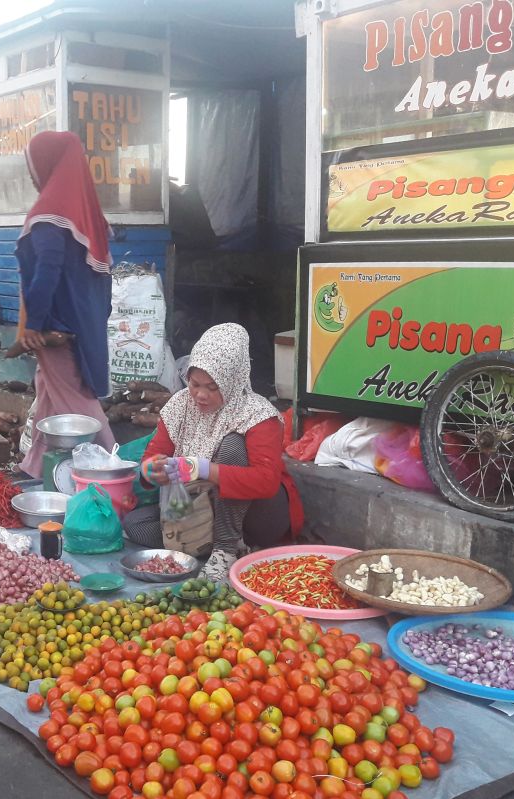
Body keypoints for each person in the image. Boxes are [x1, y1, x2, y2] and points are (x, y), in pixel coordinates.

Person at [125, 323, 303, 581]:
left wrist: (204, 469)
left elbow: (266, 482)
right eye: (195, 383)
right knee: (135, 525)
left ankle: (225, 548)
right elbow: (154, 455)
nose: (200, 395)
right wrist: (151, 471)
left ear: (232, 380)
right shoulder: (180, 405)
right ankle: (209, 543)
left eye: (212, 386)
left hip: (257, 516)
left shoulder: (257, 414)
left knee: (232, 445)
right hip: (201, 506)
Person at [16, 131, 116, 478]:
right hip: (81, 324)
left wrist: (35, 323)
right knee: (48, 391)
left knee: (79, 404)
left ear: (48, 164)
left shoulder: (50, 214)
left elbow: (47, 270)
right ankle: (34, 468)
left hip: (57, 326)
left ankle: (114, 468)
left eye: (32, 165)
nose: (31, 174)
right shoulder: (87, 214)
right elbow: (102, 279)